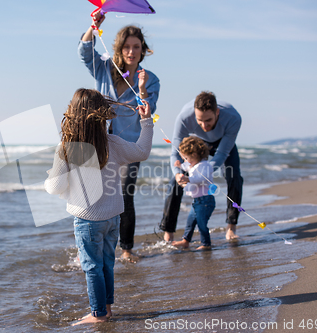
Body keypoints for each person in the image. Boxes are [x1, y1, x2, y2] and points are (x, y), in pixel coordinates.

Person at [44, 89, 154, 325]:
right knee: (106, 263)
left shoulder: (67, 147)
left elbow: (55, 187)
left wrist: (48, 181)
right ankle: (107, 308)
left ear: (73, 115)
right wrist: (146, 122)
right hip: (113, 217)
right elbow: (142, 152)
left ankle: (99, 315)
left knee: (92, 266)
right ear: (101, 115)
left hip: (87, 220)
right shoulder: (112, 143)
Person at [78, 11, 160, 260]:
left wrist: (142, 89)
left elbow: (149, 111)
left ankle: (126, 249)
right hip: (100, 141)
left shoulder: (152, 79)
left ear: (142, 49)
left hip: (129, 146)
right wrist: (93, 27)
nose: (131, 52)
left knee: (125, 194)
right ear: (120, 48)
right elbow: (84, 53)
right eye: (127, 47)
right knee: (97, 194)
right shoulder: (105, 67)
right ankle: (98, 244)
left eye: (136, 47)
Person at [159, 91, 243, 241]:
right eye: (200, 121)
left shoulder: (233, 118)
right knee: (175, 181)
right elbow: (175, 153)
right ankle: (168, 233)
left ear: (217, 112)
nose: (204, 125)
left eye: (208, 120)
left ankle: (231, 226)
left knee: (234, 175)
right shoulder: (184, 117)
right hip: (197, 143)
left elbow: (222, 154)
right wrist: (179, 173)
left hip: (222, 142)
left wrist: (201, 171)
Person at [171, 136, 215, 250]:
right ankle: (186, 241)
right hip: (197, 201)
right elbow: (188, 166)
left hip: (205, 201)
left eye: (186, 158)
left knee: (201, 224)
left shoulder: (205, 165)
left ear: (194, 155)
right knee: (190, 222)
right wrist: (179, 166)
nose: (185, 160)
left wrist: (188, 179)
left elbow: (202, 178)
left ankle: (206, 244)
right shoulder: (194, 164)